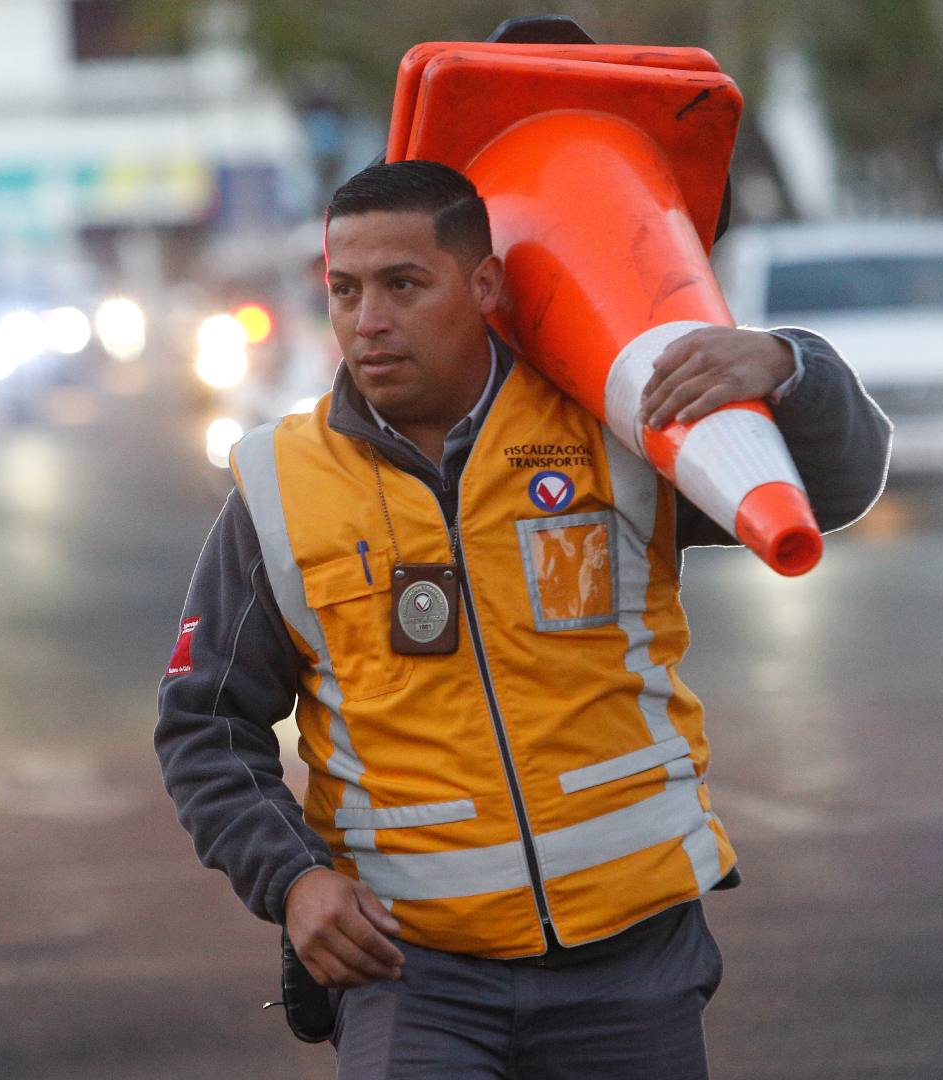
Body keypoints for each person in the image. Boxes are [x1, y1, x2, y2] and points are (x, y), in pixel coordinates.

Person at [157, 160, 890, 1077]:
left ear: (485, 285)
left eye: (403, 285)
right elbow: (205, 726)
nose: (367, 321)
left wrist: (790, 366)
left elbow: (838, 489)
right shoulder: (277, 483)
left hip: (633, 963)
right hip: (409, 973)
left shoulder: (611, 427)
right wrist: (295, 881)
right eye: (344, 290)